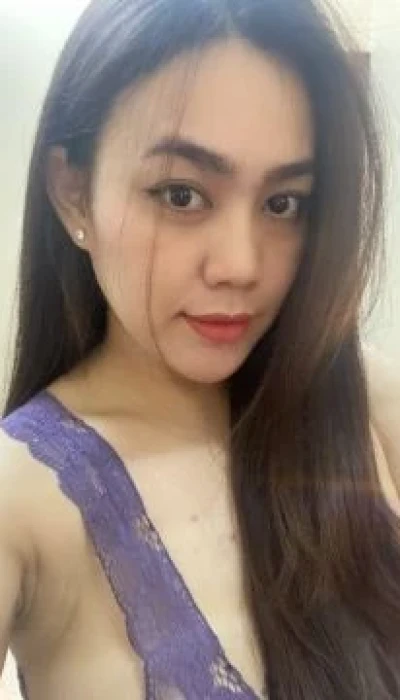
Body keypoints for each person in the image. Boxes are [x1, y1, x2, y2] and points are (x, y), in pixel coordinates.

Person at [0, 0, 399, 698]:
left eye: (284, 203)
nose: (241, 265)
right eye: (181, 194)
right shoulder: (24, 497)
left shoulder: (367, 401)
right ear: (73, 194)